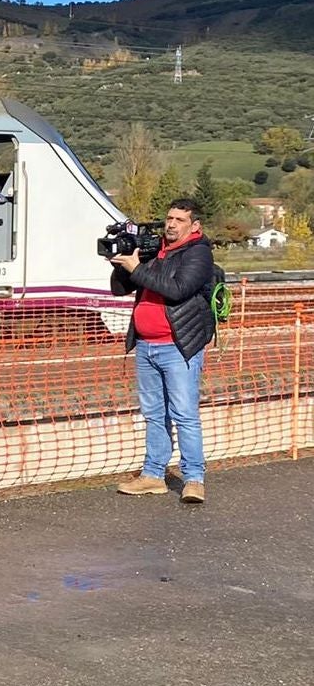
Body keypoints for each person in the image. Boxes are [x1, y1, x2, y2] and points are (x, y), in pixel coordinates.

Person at [110, 198, 215, 504]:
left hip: (179, 346)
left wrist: (138, 268)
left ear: (194, 226)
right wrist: (124, 264)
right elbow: (120, 289)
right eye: (169, 218)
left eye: (179, 220)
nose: (171, 224)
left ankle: (194, 479)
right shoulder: (154, 250)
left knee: (184, 414)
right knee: (155, 415)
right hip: (146, 346)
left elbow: (177, 289)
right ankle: (153, 475)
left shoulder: (199, 254)